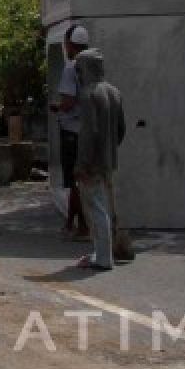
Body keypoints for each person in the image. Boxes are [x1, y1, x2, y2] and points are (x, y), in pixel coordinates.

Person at [73, 48, 126, 271]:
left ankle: (104, 258)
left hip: (91, 161)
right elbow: (121, 129)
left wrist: (82, 164)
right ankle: (103, 252)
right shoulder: (114, 91)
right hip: (108, 158)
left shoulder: (88, 94)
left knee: (95, 208)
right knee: (106, 205)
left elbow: (88, 133)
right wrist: (109, 149)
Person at [52, 24, 89, 239]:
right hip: (89, 129)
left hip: (72, 131)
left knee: (74, 180)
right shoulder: (94, 66)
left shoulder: (71, 67)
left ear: (69, 44)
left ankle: (82, 226)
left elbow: (68, 101)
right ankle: (71, 223)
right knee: (83, 178)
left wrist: (57, 106)